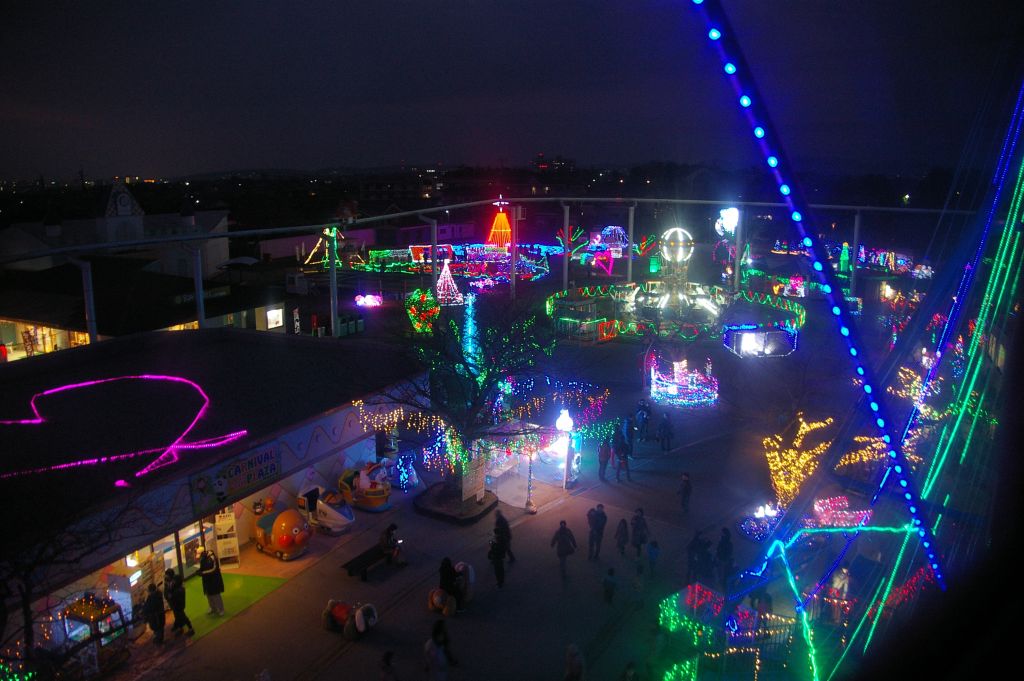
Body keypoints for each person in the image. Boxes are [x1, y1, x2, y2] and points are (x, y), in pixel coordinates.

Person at [163, 569, 195, 636]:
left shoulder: (177, 580)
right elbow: (166, 591)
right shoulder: (167, 581)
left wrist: (171, 595)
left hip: (178, 602)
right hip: (173, 603)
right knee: (177, 616)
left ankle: (190, 628)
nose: (166, 576)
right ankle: (180, 628)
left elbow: (177, 591)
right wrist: (168, 596)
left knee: (182, 615)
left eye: (167, 575)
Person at [196, 546, 225, 616]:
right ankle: (213, 608)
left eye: (200, 555)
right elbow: (202, 568)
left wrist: (202, 573)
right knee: (208, 595)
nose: (199, 557)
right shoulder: (203, 559)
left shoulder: (212, 558)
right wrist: (200, 571)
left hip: (214, 580)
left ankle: (221, 609)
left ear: (203, 553)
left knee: (216, 595)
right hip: (207, 580)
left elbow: (214, 569)